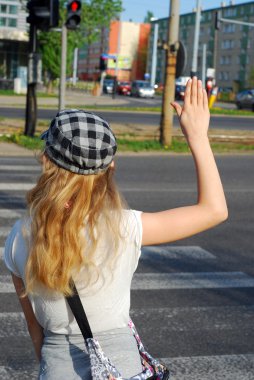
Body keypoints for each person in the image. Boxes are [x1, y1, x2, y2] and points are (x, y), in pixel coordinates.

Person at [4, 77, 228, 379]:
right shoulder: (125, 227)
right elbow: (214, 210)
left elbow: (36, 329)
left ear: (47, 163)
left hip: (57, 365)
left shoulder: (20, 236)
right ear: (110, 169)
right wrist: (198, 137)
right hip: (122, 365)